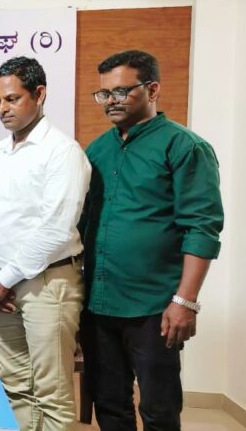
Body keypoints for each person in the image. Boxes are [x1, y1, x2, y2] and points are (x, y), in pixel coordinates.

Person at [80, 50, 223, 430]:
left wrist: (185, 301)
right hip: (99, 303)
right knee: (109, 403)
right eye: (104, 93)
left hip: (154, 306)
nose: (110, 101)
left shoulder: (184, 147)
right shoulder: (98, 150)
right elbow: (83, 223)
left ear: (153, 89)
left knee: (159, 409)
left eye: (121, 91)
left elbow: (202, 227)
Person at [0, 56, 90, 430]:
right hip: (1, 285)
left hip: (48, 283)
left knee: (51, 393)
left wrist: (3, 279)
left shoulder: (63, 151)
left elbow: (56, 229)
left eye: (12, 99)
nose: (2, 109)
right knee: (16, 386)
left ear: (39, 94)